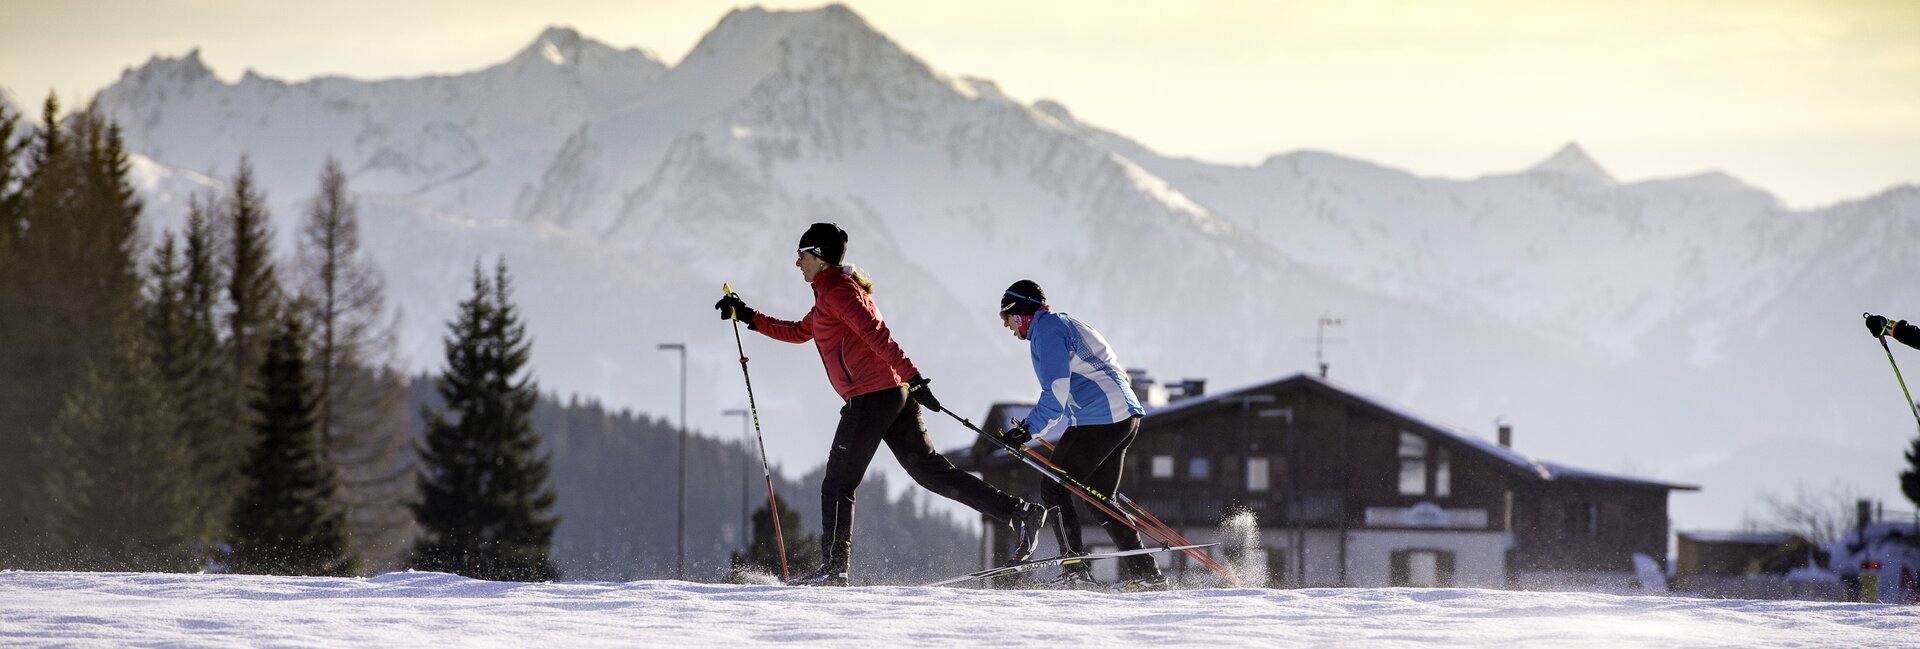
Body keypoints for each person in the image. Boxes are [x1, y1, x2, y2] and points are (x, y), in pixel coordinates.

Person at [715, 223, 1050, 586]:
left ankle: (833, 569)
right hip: (892, 395)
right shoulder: (830, 293)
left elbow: (877, 334)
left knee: (838, 484)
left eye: (801, 255)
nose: (796, 262)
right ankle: (1019, 512)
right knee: (931, 472)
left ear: (818, 255)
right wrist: (747, 316)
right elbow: (800, 331)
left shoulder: (839, 292)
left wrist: (915, 377)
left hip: (873, 396)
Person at [994, 280, 1167, 591]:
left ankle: (1074, 568)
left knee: (1054, 486)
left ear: (1020, 314)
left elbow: (1056, 394)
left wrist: (1025, 431)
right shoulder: (1065, 322)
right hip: (1123, 417)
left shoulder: (1046, 332)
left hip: (1100, 419)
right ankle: (1148, 574)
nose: (1007, 327)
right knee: (1101, 499)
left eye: (1006, 318)